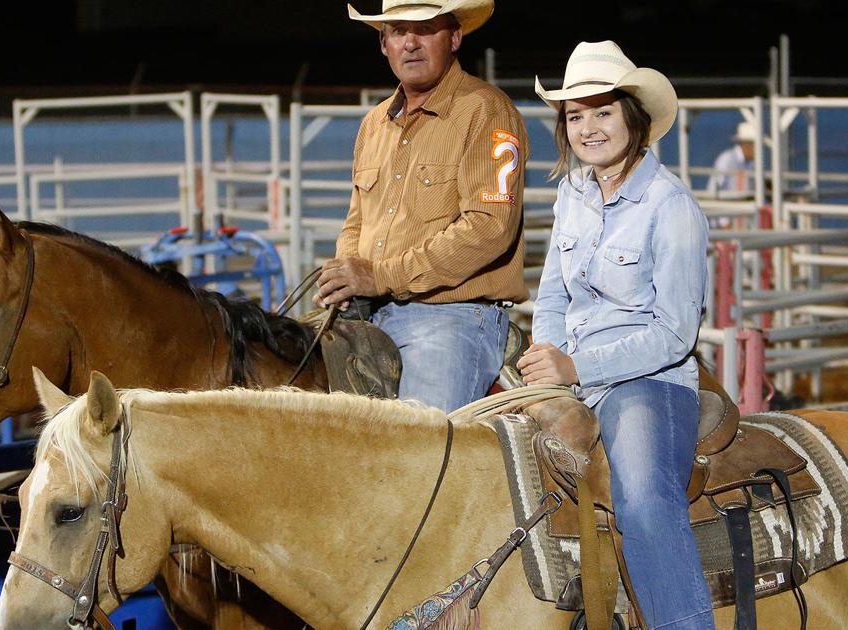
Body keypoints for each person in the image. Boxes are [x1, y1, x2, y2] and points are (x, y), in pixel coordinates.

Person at [515, 41, 715, 629]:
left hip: (646, 381)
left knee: (645, 505)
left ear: (634, 116)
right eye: (575, 115)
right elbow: (552, 293)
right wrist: (547, 355)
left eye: (602, 111)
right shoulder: (572, 194)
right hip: (571, 374)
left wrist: (576, 369)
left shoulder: (670, 205)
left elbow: (675, 333)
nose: (588, 127)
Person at [315, 0, 529, 412]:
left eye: (426, 29)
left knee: (421, 441)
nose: (410, 43)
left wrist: (382, 275)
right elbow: (357, 221)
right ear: (384, 43)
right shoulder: (375, 123)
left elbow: (488, 228)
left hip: (452, 316)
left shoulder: (486, 110)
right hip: (369, 309)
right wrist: (344, 275)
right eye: (398, 31)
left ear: (453, 38)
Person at [707, 120, 757, 198]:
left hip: (744, 207)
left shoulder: (752, 164)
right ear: (747, 145)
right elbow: (714, 186)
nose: (758, 151)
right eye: (755, 145)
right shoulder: (727, 159)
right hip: (727, 206)